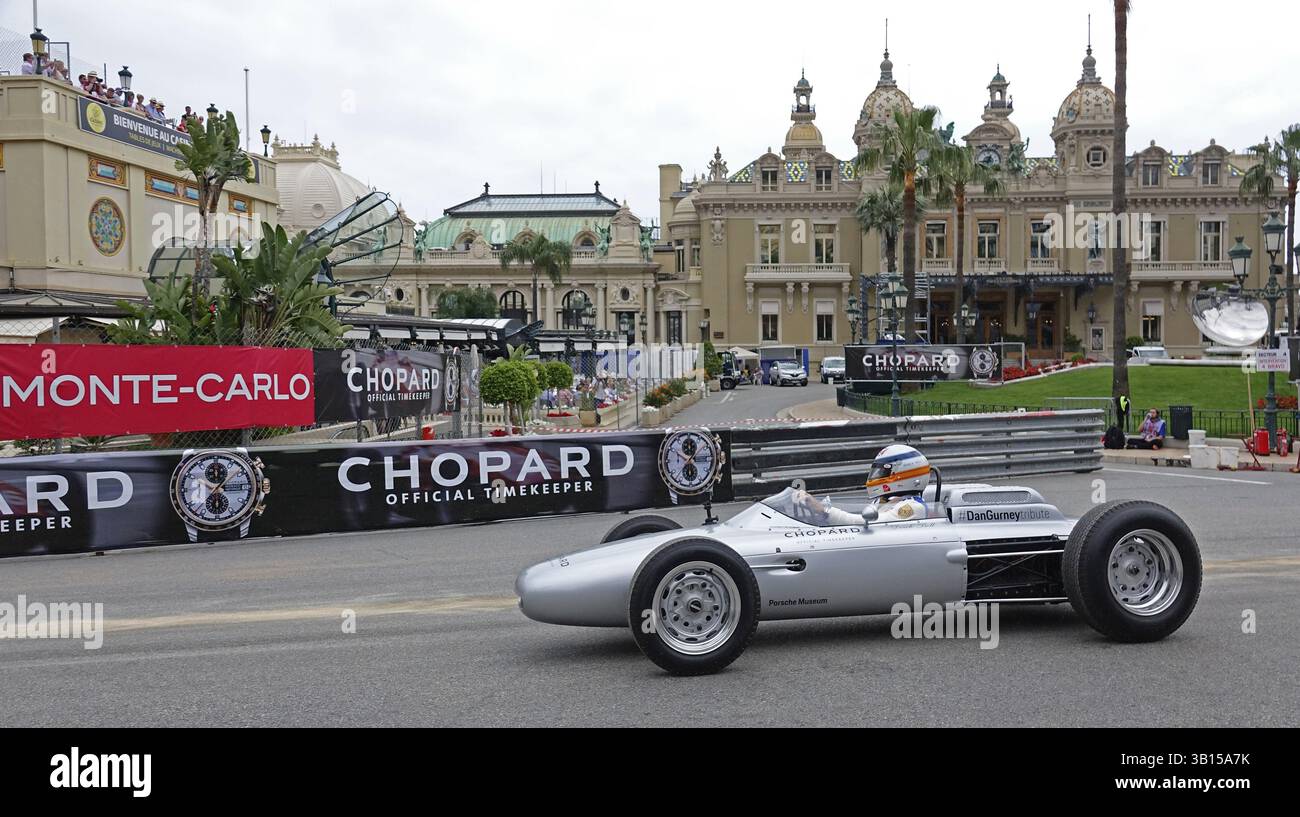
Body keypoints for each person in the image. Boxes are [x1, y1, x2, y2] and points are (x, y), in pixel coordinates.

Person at [864, 444, 931, 522]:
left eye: (884, 472)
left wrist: (846, 518)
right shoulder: (882, 500)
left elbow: (875, 522)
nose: (879, 476)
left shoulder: (914, 506)